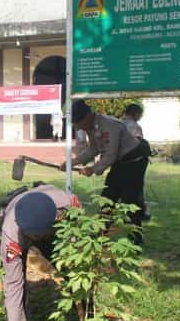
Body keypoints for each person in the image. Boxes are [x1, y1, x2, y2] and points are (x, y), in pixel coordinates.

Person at [0, 184, 81, 321]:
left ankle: (84, 317)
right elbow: (13, 285)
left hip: (54, 229)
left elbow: (81, 240)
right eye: (33, 236)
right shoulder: (11, 236)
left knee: (72, 269)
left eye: (37, 236)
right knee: (19, 288)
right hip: (20, 233)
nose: (35, 240)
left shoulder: (67, 205)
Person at [59, 100, 150, 244]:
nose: (77, 126)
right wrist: (72, 162)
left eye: (78, 122)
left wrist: (93, 169)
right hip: (120, 162)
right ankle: (102, 233)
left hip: (135, 161)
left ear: (87, 116)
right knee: (108, 196)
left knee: (130, 198)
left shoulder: (109, 125)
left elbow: (110, 155)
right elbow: (93, 149)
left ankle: (136, 235)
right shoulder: (91, 127)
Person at [122, 103, 151, 221]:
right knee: (137, 189)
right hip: (136, 162)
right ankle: (138, 212)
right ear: (136, 114)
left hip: (122, 161)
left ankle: (127, 211)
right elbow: (137, 144)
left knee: (123, 187)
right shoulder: (134, 126)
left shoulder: (120, 124)